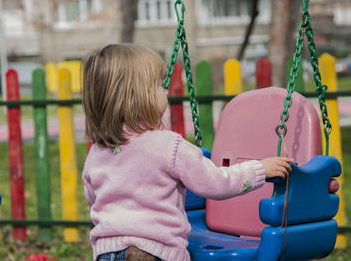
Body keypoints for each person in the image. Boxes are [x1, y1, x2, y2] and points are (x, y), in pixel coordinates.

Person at [81, 43, 293, 261]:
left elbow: (93, 197)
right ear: (138, 96)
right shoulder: (168, 146)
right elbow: (216, 183)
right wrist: (260, 169)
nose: (165, 91)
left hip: (106, 252)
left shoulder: (97, 153)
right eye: (159, 85)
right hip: (154, 252)